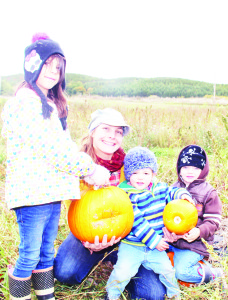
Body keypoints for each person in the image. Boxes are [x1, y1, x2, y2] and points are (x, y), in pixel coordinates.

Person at [1, 33, 110, 300]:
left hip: (50, 191)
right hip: (31, 193)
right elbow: (52, 149)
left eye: (58, 68)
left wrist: (87, 167)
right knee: (30, 253)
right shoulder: (27, 103)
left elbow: (64, 146)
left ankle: (45, 294)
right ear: (32, 66)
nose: (53, 72)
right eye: (47, 65)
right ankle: (18, 295)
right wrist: (90, 169)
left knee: (46, 250)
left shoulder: (49, 104)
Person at [54, 108, 168, 300]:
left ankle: (121, 261)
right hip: (90, 233)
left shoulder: (129, 164)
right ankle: (103, 255)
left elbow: (153, 188)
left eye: (118, 132)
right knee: (66, 273)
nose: (112, 136)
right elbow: (73, 209)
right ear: (92, 132)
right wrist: (87, 240)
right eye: (105, 129)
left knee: (152, 294)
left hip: (133, 235)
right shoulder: (76, 165)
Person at [105, 147, 194, 300]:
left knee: (167, 270)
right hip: (132, 246)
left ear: (153, 174)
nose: (140, 178)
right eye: (135, 173)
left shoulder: (159, 188)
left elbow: (172, 192)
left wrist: (183, 196)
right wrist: (154, 241)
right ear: (127, 175)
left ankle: (175, 295)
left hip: (155, 249)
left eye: (146, 173)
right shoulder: (125, 194)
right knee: (122, 271)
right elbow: (135, 221)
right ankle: (111, 294)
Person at [163, 145, 223, 285]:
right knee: (154, 264)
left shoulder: (209, 193)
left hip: (195, 245)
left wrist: (199, 231)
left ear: (203, 170)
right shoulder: (173, 189)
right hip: (173, 242)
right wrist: (167, 232)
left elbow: (214, 221)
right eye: (185, 167)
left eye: (195, 168)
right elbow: (165, 215)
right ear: (179, 169)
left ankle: (215, 274)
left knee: (181, 272)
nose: (190, 171)